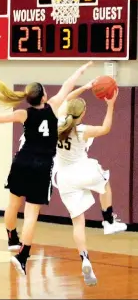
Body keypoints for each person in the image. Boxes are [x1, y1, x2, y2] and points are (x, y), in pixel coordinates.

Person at [0, 61, 93, 276]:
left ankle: (11, 236)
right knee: (31, 215)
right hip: (42, 166)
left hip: (22, 161)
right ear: (44, 97)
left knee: (12, 204)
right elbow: (68, 84)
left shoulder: (24, 114)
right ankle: (22, 256)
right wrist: (82, 70)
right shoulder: (54, 106)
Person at [53, 83, 127, 286]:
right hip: (83, 170)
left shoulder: (57, 123)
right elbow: (106, 128)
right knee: (105, 181)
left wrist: (84, 87)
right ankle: (108, 221)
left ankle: (85, 258)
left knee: (78, 222)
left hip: (65, 179)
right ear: (84, 113)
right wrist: (110, 105)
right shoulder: (82, 130)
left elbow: (66, 98)